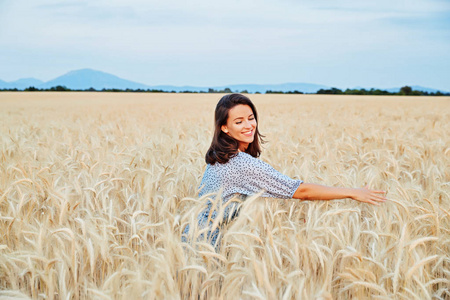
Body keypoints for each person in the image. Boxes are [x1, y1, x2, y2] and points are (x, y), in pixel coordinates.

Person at [182, 93, 386, 246]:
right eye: (239, 121)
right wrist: (352, 192)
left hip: (193, 240)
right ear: (224, 128)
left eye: (251, 117)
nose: (249, 125)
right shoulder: (240, 163)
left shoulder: (220, 157)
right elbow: (300, 191)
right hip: (204, 247)